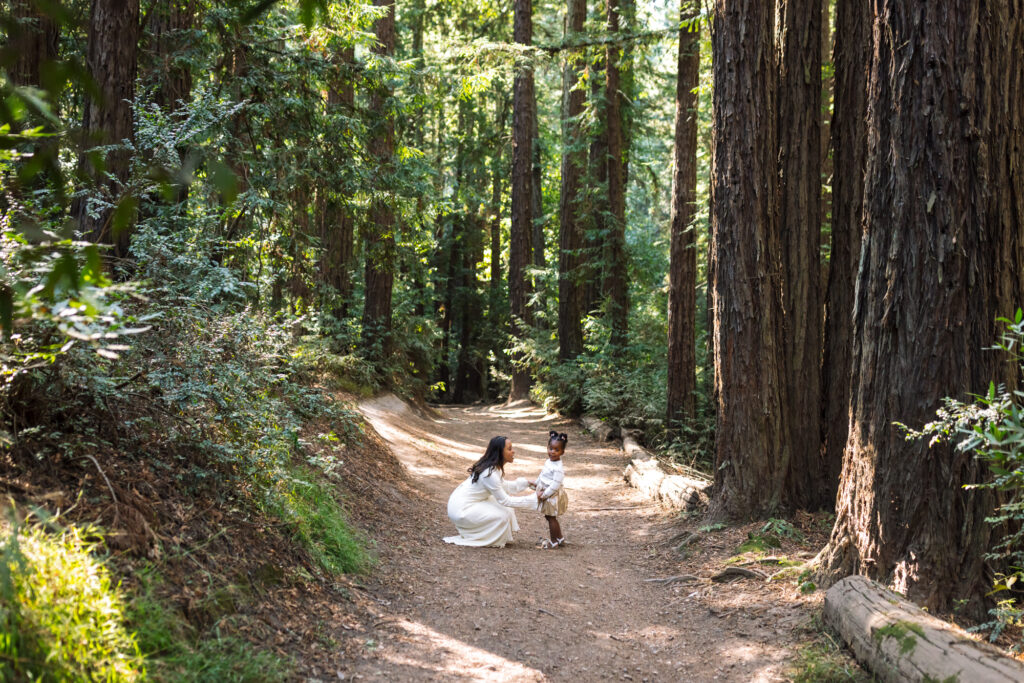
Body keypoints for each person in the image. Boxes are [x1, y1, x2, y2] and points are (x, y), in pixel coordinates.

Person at [443, 435, 538, 547]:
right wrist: (534, 499)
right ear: (499, 452)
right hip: (461, 509)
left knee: (506, 509)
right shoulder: (490, 474)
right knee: (502, 515)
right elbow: (505, 500)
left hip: (464, 503)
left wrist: (528, 483)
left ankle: (480, 534)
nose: (513, 452)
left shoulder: (493, 468)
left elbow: (504, 486)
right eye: (509, 449)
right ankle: (479, 537)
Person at [530, 430, 569, 549]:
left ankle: (554, 541)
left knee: (551, 518)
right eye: (551, 448)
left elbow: (554, 485)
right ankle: (560, 538)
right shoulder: (549, 461)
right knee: (549, 517)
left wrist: (544, 494)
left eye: (557, 450)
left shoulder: (558, 468)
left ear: (562, 452)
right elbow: (543, 475)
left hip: (552, 495)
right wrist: (536, 483)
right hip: (546, 492)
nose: (552, 452)